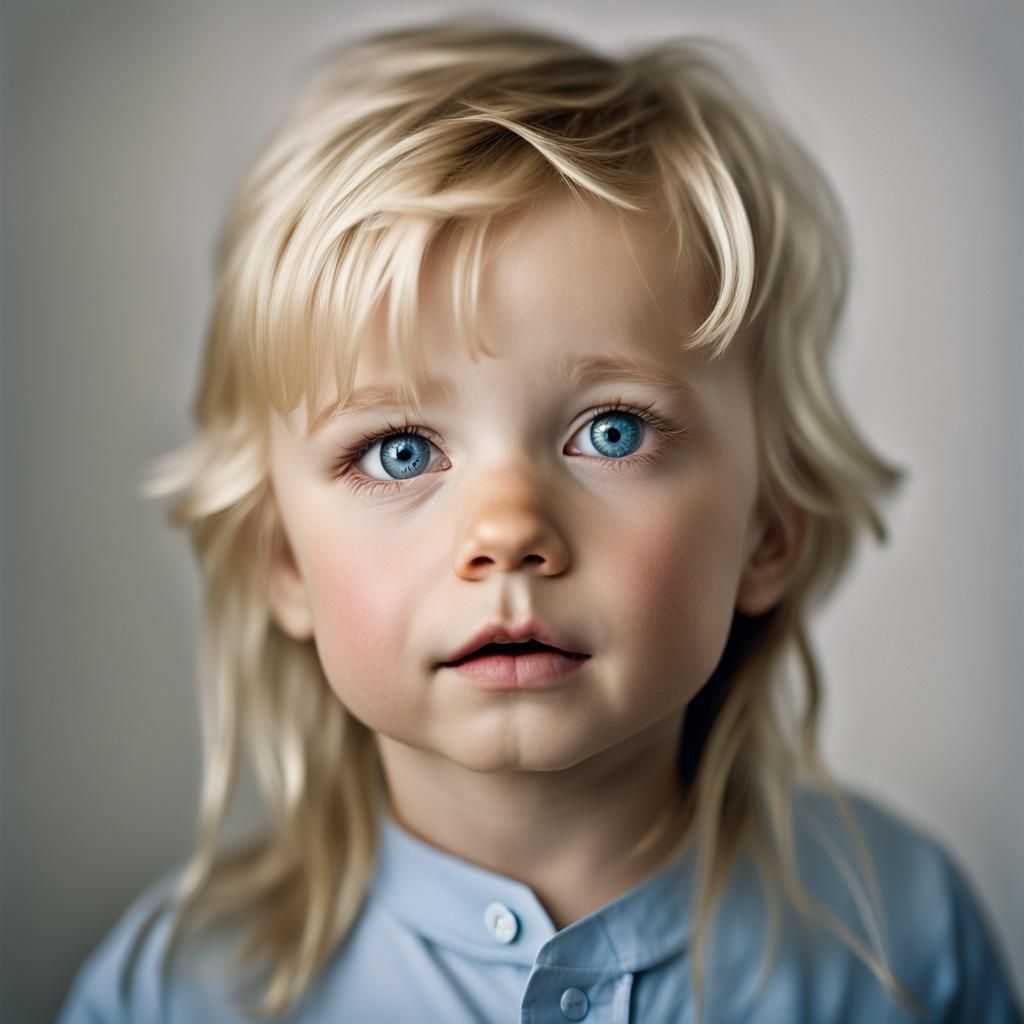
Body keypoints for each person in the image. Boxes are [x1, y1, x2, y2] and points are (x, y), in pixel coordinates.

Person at [57, 17, 1021, 1023]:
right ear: (282, 560)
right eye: (400, 450)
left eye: (610, 432)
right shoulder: (173, 993)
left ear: (768, 527)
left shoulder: (901, 937)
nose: (507, 530)